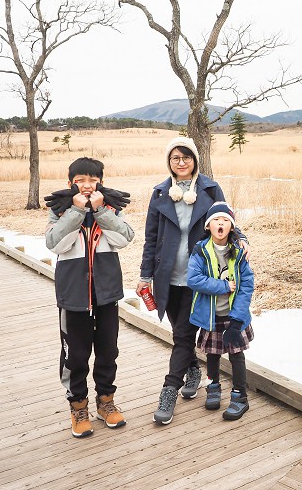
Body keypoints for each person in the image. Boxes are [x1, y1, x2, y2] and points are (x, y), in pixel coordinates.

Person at [137, 137, 248, 425]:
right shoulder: (160, 193)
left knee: (184, 335)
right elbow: (151, 238)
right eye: (175, 158)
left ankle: (169, 391)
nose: (182, 162)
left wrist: (242, 238)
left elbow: (226, 219)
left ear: (195, 160)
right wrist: (145, 275)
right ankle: (194, 371)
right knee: (180, 334)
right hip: (167, 277)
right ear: (169, 162)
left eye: (187, 157)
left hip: (199, 277)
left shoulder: (210, 188)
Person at [45, 157, 135, 438]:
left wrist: (100, 212)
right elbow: (54, 243)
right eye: (81, 179)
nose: (87, 185)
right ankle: (78, 405)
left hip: (106, 294)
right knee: (76, 355)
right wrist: (76, 211)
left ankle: (105, 402)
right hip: (73, 294)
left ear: (100, 182)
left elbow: (125, 238)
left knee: (108, 351)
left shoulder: (110, 208)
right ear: (71, 181)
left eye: (92, 180)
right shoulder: (60, 210)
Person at [188, 201, 254, 420]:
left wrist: (237, 321)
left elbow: (246, 286)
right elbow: (193, 279)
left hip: (233, 316)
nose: (221, 223)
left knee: (237, 355)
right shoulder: (200, 251)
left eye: (225, 220)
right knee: (213, 354)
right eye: (216, 219)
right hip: (212, 315)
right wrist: (224, 286)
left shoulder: (239, 252)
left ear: (231, 227)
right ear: (208, 226)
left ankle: (240, 396)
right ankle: (213, 387)